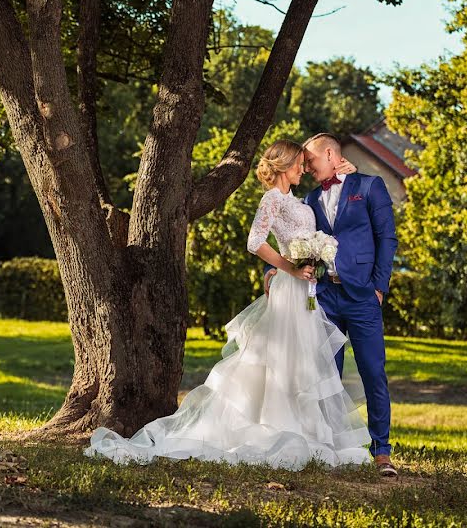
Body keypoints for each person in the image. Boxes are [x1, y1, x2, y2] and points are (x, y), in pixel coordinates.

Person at [84, 140, 372, 470]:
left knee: (301, 357)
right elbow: (255, 242)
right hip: (289, 287)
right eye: (297, 163)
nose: (303, 168)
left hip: (305, 291)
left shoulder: (300, 202)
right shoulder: (272, 200)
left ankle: (306, 427)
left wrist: (313, 260)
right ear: (283, 165)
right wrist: (289, 267)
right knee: (280, 356)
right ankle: (276, 424)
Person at [264, 133, 398, 476]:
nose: (306, 167)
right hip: (324, 298)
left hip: (363, 297)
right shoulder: (309, 197)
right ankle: (328, 448)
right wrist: (272, 270)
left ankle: (381, 451)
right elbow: (292, 233)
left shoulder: (370, 186)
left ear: (328, 154)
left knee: (373, 372)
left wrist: (379, 287)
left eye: (310, 161)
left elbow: (387, 238)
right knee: (325, 374)